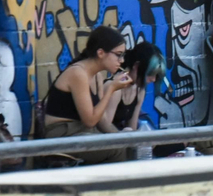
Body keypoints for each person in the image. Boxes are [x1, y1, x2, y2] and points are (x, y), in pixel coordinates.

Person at [42, 26, 135, 163]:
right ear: (101, 53)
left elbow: (101, 120)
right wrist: (111, 89)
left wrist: (122, 138)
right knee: (116, 149)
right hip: (63, 135)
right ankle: (111, 184)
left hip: (82, 133)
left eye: (123, 55)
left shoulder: (96, 75)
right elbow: (90, 120)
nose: (121, 61)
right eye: (118, 54)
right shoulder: (78, 73)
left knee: (129, 146)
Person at [109, 41, 165, 133]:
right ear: (137, 66)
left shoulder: (140, 90)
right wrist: (122, 139)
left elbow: (132, 127)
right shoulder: (116, 87)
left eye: (156, 75)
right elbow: (104, 124)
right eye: (150, 74)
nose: (153, 79)